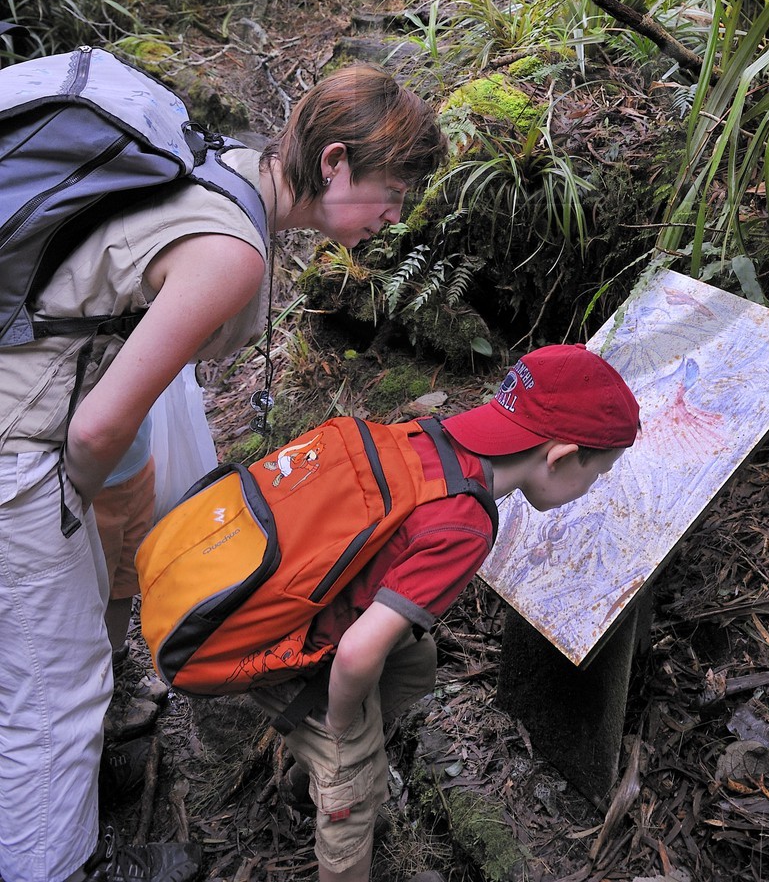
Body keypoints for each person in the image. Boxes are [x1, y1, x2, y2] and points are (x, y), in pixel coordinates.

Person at [0, 63, 445, 882]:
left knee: (53, 660)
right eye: (393, 191)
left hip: (25, 396)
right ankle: (56, 865)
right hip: (18, 447)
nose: (395, 216)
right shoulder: (234, 251)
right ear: (336, 161)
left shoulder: (226, 168)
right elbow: (99, 425)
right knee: (49, 701)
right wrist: (71, 500)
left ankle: (64, 800)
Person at [254, 342, 640, 882]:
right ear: (561, 456)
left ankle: (305, 777)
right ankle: (333, 786)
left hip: (299, 591)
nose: (594, 487)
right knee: (353, 782)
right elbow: (360, 651)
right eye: (598, 473)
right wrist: (341, 730)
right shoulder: (466, 523)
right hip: (285, 645)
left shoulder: (437, 435)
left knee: (413, 658)